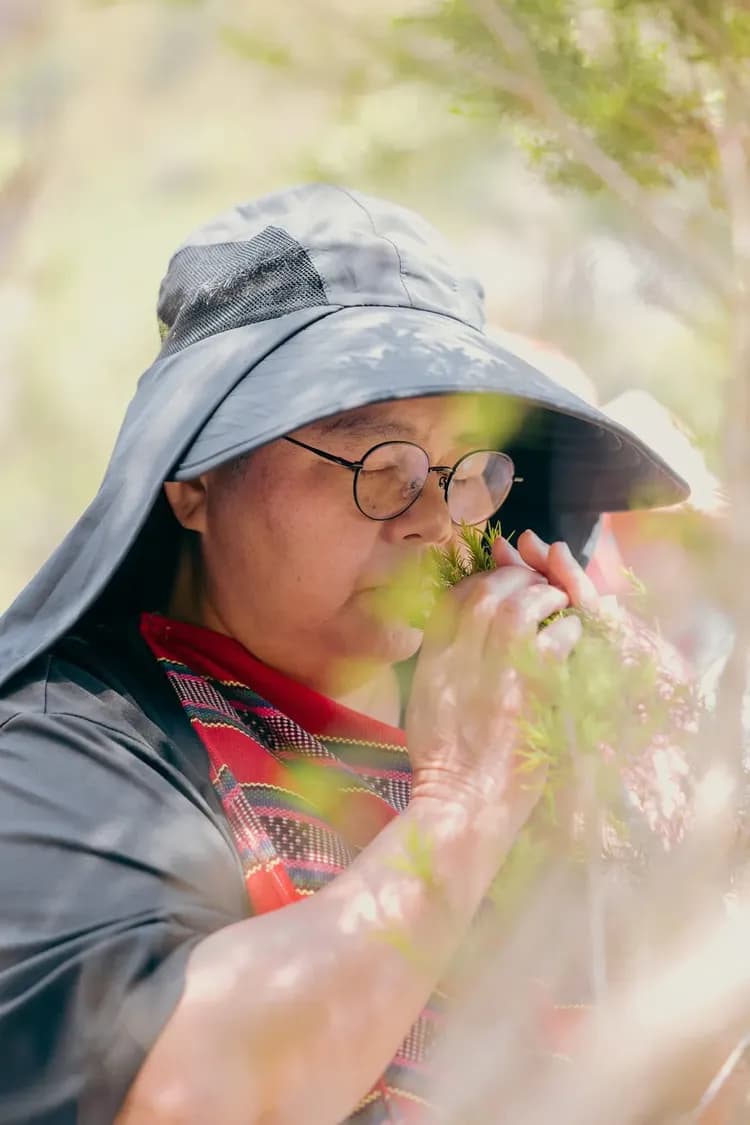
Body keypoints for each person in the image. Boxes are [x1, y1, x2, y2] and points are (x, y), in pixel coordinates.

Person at [0, 184, 688, 1125]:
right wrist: (465, 800)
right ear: (195, 477)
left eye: (464, 472)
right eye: (383, 467)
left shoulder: (505, 734)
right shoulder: (56, 757)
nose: (436, 520)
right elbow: (183, 1098)